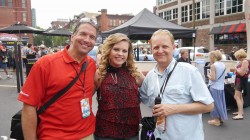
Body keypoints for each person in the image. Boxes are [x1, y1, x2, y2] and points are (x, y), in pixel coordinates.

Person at [18, 18, 98, 139]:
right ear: (72, 37)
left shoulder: (91, 65)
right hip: (54, 136)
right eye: (83, 34)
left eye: (92, 37)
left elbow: (87, 92)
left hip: (86, 134)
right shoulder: (45, 64)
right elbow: (29, 106)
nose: (87, 40)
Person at [140, 29, 214, 140]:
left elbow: (209, 106)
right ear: (151, 49)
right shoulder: (150, 76)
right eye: (156, 47)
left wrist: (174, 108)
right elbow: (141, 98)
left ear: (173, 48)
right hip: (159, 136)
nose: (160, 51)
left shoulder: (189, 71)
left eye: (165, 46)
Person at [94, 33, 145, 140]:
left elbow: (152, 90)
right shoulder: (100, 73)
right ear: (108, 50)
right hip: (105, 133)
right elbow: (85, 97)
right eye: (116, 49)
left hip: (131, 133)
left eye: (124, 51)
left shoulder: (134, 73)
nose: (120, 54)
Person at [207, 50, 228, 126]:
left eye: (210, 56)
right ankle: (220, 118)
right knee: (221, 103)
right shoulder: (223, 64)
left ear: (213, 56)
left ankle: (216, 120)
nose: (210, 58)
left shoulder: (213, 66)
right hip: (221, 87)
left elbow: (213, 78)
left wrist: (208, 75)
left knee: (215, 103)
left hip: (214, 87)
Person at [231, 49, 249, 120]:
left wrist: (235, 69)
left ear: (239, 55)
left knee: (237, 96)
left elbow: (242, 73)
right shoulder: (243, 61)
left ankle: (240, 114)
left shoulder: (244, 61)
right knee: (240, 96)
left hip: (240, 80)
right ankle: (240, 111)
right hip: (239, 80)